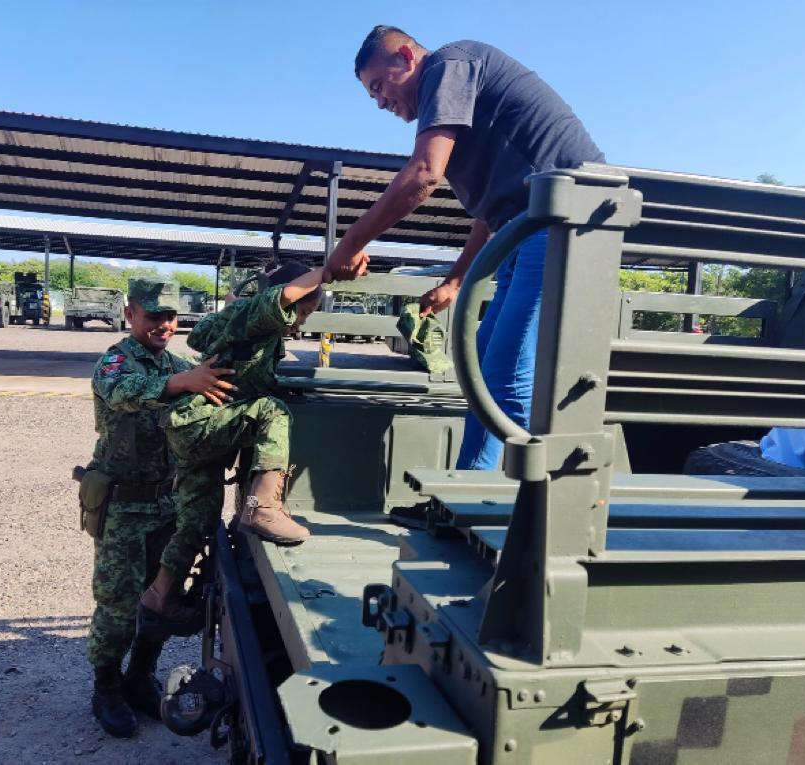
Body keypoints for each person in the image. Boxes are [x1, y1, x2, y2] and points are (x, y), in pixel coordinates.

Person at [326, 26, 605, 469]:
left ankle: (494, 511)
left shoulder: (449, 65)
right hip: (524, 227)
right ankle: (468, 489)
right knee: (480, 370)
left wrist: (351, 242)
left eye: (379, 85)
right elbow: (489, 212)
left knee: (507, 373)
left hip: (565, 219)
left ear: (405, 57)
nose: (380, 101)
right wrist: (456, 280)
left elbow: (423, 175)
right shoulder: (457, 108)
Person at [136, 263, 327, 637]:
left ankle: (160, 598)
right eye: (303, 311)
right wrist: (327, 270)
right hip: (203, 424)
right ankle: (262, 508)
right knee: (273, 413)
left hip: (199, 427)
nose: (301, 321)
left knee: (198, 520)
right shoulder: (258, 314)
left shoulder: (249, 319)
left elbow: (200, 337)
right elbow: (282, 297)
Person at [84, 278, 236, 738]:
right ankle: (106, 687)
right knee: (117, 603)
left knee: (160, 600)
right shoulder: (116, 361)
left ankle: (139, 678)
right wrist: (181, 382)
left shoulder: (179, 364)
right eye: (153, 316)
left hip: (170, 506)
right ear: (130, 314)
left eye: (170, 316)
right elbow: (124, 393)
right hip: (125, 509)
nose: (164, 325)